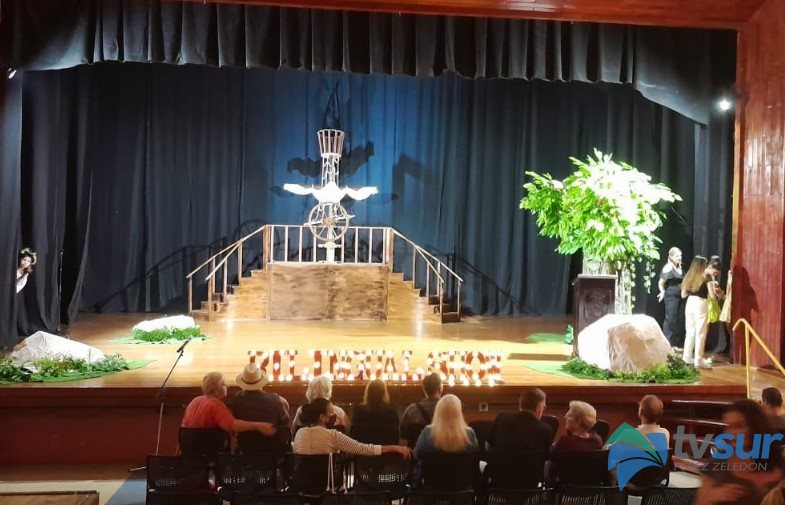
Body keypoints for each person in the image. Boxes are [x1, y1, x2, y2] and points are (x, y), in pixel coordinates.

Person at [699, 400, 783, 505]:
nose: (731, 433)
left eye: (738, 426)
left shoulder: (776, 459)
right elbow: (701, 501)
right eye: (729, 426)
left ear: (755, 426)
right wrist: (712, 496)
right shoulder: (720, 458)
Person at [292, 398, 411, 457]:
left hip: (300, 488)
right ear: (322, 417)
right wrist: (395, 448)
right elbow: (364, 449)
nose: (334, 415)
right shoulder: (333, 436)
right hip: (326, 487)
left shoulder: (299, 434)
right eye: (331, 412)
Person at [181, 372, 278, 435]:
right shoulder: (216, 405)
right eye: (223, 383)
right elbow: (232, 425)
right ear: (216, 388)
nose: (226, 386)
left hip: (189, 452)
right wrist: (258, 425)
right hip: (208, 451)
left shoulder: (195, 401)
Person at [226, 363, 291, 453]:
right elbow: (285, 421)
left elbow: (233, 423)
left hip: (246, 450)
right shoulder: (275, 400)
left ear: (243, 383)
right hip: (272, 452)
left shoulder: (237, 401)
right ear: (261, 383)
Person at [486, 387, 552, 452]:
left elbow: (488, 444)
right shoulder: (545, 429)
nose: (543, 410)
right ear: (538, 407)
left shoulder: (502, 418)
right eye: (544, 407)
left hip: (501, 459)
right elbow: (545, 455)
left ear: (521, 404)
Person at [413, 394, 479, 457]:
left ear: (438, 411)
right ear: (459, 412)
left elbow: (416, 455)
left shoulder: (427, 433)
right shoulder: (469, 433)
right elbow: (475, 456)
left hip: (434, 465)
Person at [682, 256, 716, 368]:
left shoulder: (689, 276)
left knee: (690, 331)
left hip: (690, 302)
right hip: (701, 303)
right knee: (701, 332)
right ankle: (698, 360)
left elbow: (683, 295)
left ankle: (687, 357)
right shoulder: (706, 277)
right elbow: (712, 296)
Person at [351, 379, 399, 444]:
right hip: (386, 448)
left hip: (364, 448)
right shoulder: (391, 411)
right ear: (384, 393)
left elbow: (354, 436)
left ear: (368, 393)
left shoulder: (358, 411)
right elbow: (395, 436)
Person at [657, 246, 684, 348]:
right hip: (671, 297)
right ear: (671, 257)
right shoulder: (668, 267)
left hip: (680, 297)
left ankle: (674, 344)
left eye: (680, 256)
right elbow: (661, 283)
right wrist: (662, 292)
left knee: (678, 319)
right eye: (677, 256)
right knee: (670, 319)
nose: (679, 258)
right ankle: (667, 343)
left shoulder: (679, 267)